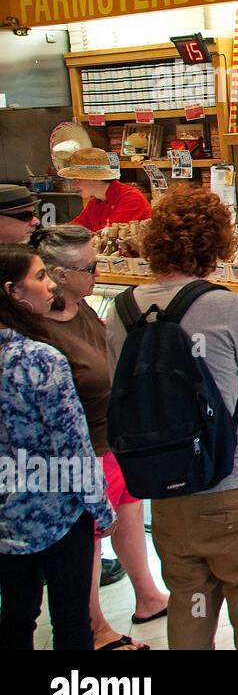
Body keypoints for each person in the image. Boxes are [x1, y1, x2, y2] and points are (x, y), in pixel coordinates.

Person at [104, 187, 238, 650]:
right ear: (217, 244)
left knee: (191, 603)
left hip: (166, 493)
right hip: (235, 490)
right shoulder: (227, 306)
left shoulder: (119, 312)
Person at [32, 224, 170, 650]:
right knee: (89, 540)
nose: (98, 273)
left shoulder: (82, 306)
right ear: (57, 274)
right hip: (83, 448)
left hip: (115, 435)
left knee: (130, 514)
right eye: (89, 267)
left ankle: (147, 595)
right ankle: (94, 626)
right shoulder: (40, 327)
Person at [0, 243, 117, 650]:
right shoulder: (40, 359)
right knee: (71, 621)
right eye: (39, 276)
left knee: (16, 617)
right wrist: (100, 508)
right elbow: (72, 446)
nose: (50, 283)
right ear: (12, 292)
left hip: (6, 513)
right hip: (57, 513)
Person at [58, 147, 152, 231]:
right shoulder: (93, 204)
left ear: (95, 178)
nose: (73, 185)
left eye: (77, 179)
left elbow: (108, 235)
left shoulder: (131, 199)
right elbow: (73, 229)